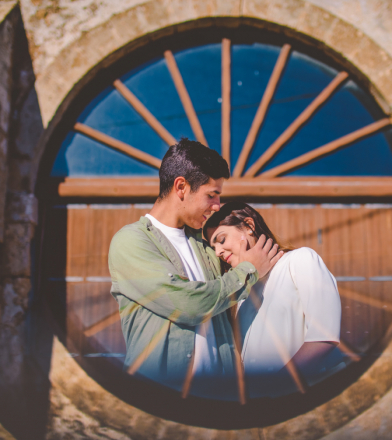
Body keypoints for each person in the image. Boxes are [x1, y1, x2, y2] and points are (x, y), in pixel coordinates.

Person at [108, 139, 283, 394]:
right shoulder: (131, 242)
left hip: (222, 399)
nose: (217, 206)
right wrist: (248, 271)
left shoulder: (206, 244)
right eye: (211, 195)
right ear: (181, 187)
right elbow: (188, 304)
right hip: (160, 400)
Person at [204, 202, 342, 397]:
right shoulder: (242, 293)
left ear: (249, 226)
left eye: (221, 239)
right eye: (213, 246)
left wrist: (276, 387)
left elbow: (324, 338)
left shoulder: (300, 260)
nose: (218, 252)